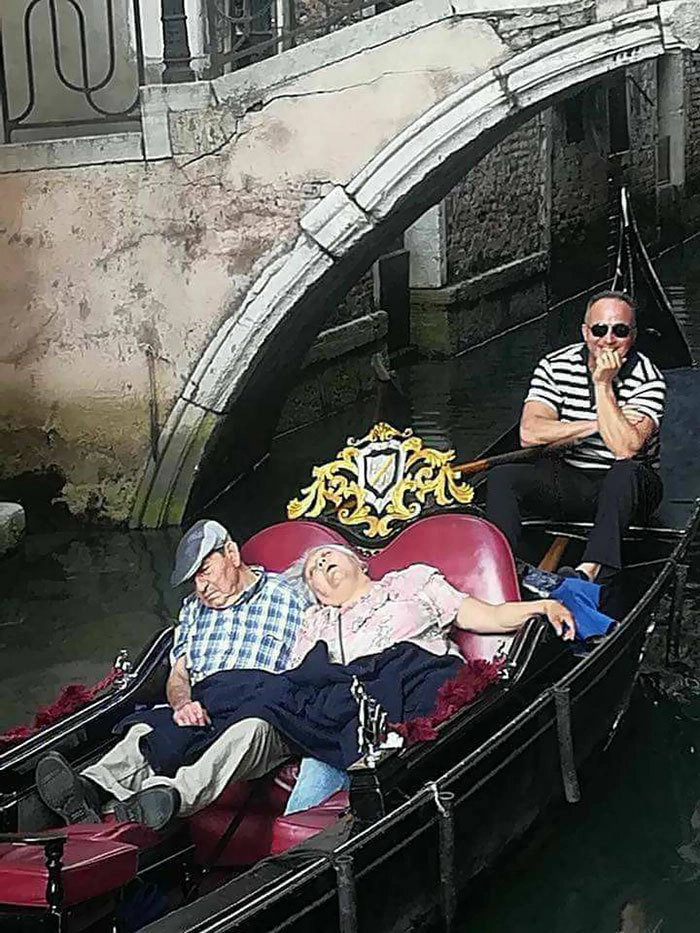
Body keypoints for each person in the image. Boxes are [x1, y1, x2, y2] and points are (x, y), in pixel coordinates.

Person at [35, 519, 306, 829]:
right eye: (194, 580)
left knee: (249, 730)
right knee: (148, 729)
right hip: (206, 701)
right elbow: (178, 674)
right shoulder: (193, 609)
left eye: (205, 571)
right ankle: (91, 788)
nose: (201, 588)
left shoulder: (290, 596)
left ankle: (171, 796)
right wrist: (182, 704)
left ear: (231, 553)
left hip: (263, 705)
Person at [486, 290, 666, 582]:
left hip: (631, 490)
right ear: (585, 332)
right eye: (599, 329)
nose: (608, 339)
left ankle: (589, 571)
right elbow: (530, 433)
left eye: (620, 331)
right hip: (572, 479)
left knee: (625, 471)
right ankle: (502, 567)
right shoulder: (555, 366)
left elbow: (625, 448)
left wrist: (603, 385)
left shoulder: (648, 378)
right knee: (502, 477)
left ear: (632, 335)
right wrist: (596, 424)